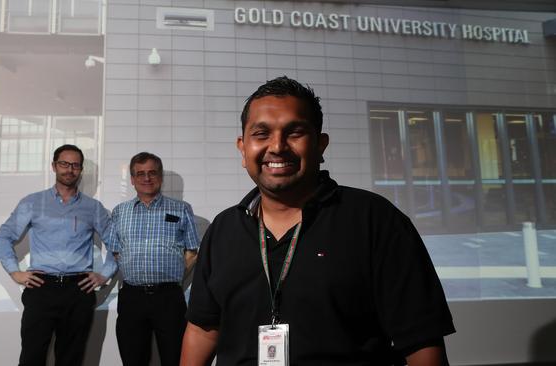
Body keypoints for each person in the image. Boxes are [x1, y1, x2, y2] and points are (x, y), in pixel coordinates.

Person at [181, 76, 455, 366]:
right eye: (261, 134)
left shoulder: (375, 220)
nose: (277, 146)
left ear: (320, 144)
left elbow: (422, 342)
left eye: (294, 132)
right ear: (242, 148)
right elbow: (202, 330)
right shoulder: (224, 229)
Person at [0, 144, 117, 366]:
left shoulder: (94, 207)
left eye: (75, 165)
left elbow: (116, 244)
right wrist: (15, 271)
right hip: (41, 289)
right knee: (32, 357)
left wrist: (104, 274)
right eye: (64, 163)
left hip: (78, 291)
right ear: (54, 166)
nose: (69, 169)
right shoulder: (32, 202)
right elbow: (3, 237)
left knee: (71, 358)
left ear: (80, 170)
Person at [105, 152, 199, 366]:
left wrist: (170, 274)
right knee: (133, 359)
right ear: (132, 179)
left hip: (169, 298)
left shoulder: (181, 209)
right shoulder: (120, 212)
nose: (146, 178)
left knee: (174, 358)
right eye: (140, 174)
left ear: (160, 176)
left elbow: (192, 251)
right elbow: (116, 251)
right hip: (132, 297)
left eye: (152, 172)